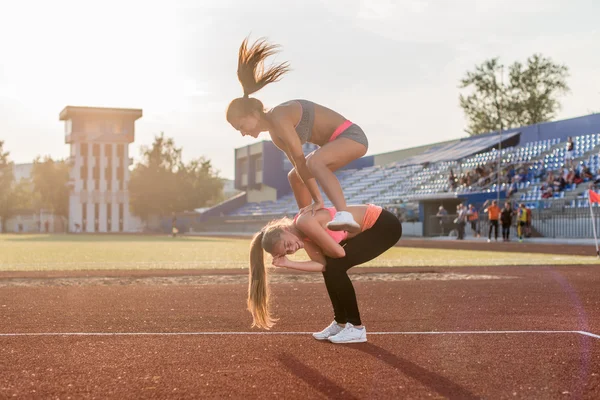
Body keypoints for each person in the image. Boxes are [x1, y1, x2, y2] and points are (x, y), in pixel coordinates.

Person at [226, 36, 369, 233]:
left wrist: (318, 199)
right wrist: (313, 200)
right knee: (294, 176)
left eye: (241, 126)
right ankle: (307, 220)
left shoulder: (279, 116)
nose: (243, 133)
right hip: (334, 145)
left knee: (313, 163)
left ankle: (344, 214)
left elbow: (303, 159)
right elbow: (299, 167)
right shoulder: (276, 136)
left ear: (253, 114)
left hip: (351, 137)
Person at [247, 204, 402, 344]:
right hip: (372, 228)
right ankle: (340, 322)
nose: (293, 249)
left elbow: (339, 253)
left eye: (288, 244)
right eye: (288, 252)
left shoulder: (303, 223)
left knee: (335, 265)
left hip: (383, 225)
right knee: (331, 267)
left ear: (285, 229)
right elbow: (321, 265)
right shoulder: (303, 236)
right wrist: (288, 264)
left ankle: (356, 327)